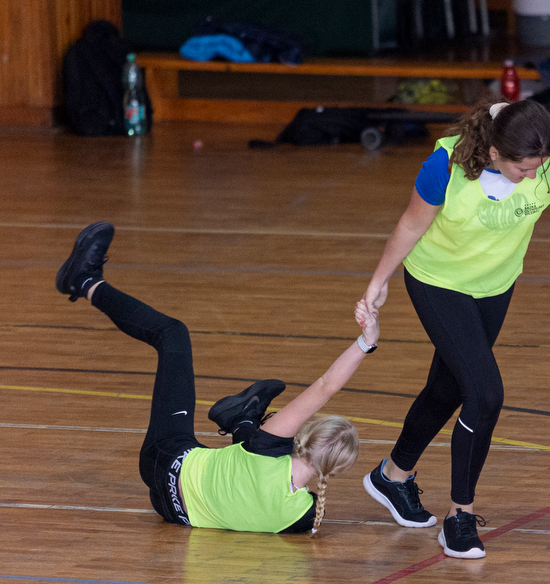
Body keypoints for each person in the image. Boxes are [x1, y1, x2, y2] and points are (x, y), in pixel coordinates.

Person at [359, 99, 550, 559]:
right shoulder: (444, 167)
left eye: (537, 167)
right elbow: (409, 225)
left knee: (448, 388)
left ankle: (392, 476)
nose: (530, 176)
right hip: (438, 282)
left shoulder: (547, 160)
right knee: (485, 394)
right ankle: (460, 516)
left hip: (495, 285)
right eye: (522, 169)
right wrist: (378, 281)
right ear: (495, 152)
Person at [56, 221, 377, 534]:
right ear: (337, 469)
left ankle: (84, 281)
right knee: (243, 461)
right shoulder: (304, 515)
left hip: (165, 459)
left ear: (305, 435)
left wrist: (366, 341)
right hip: (172, 512)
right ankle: (240, 419)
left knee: (173, 334)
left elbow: (326, 386)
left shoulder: (269, 446)